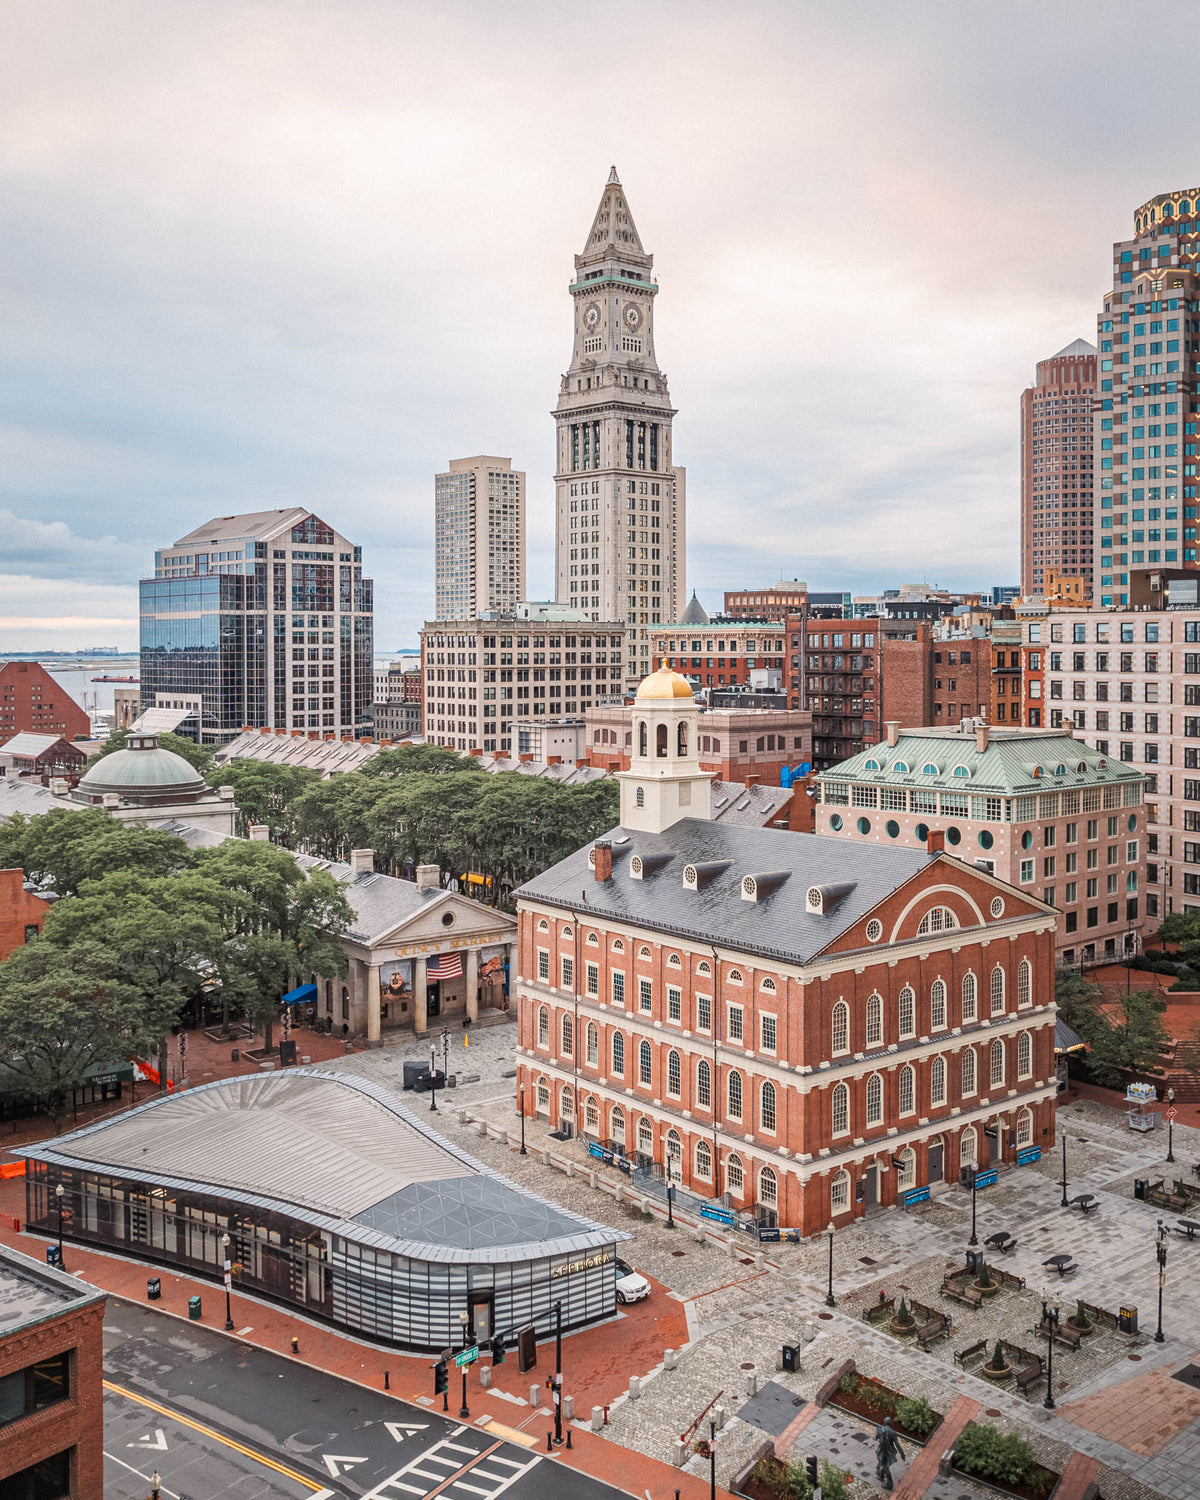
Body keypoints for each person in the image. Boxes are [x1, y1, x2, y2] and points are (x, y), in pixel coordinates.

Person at [875, 1417, 906, 1491]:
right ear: (890, 1423)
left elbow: (877, 1437)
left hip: (883, 1450)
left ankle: (890, 1484)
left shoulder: (880, 1428)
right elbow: (897, 1444)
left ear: (884, 1422)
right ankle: (881, 1475)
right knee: (883, 1462)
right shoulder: (893, 1433)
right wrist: (902, 1453)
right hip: (889, 1451)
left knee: (885, 1465)